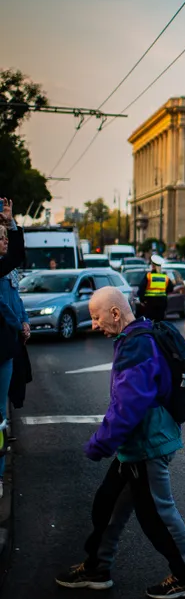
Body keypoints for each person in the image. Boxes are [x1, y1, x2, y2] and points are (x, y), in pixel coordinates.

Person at [54, 287, 185, 598]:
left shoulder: (136, 346)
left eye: (96, 317)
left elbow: (127, 407)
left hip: (147, 446)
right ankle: (97, 567)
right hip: (137, 446)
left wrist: (99, 444)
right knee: (107, 505)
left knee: (158, 515)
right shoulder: (138, 335)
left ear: (115, 313)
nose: (94, 324)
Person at [0, 199, 28, 497]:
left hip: (4, 350)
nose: (4, 241)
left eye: (5, 236)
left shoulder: (4, 268)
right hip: (4, 346)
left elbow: (17, 254)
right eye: (0, 237)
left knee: (0, 412)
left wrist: (11, 223)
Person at [139, 256, 171, 323]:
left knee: (149, 323)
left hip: (150, 303)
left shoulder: (148, 276)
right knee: (160, 323)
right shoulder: (165, 277)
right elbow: (171, 288)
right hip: (162, 303)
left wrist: (142, 300)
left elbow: (141, 289)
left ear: (153, 266)